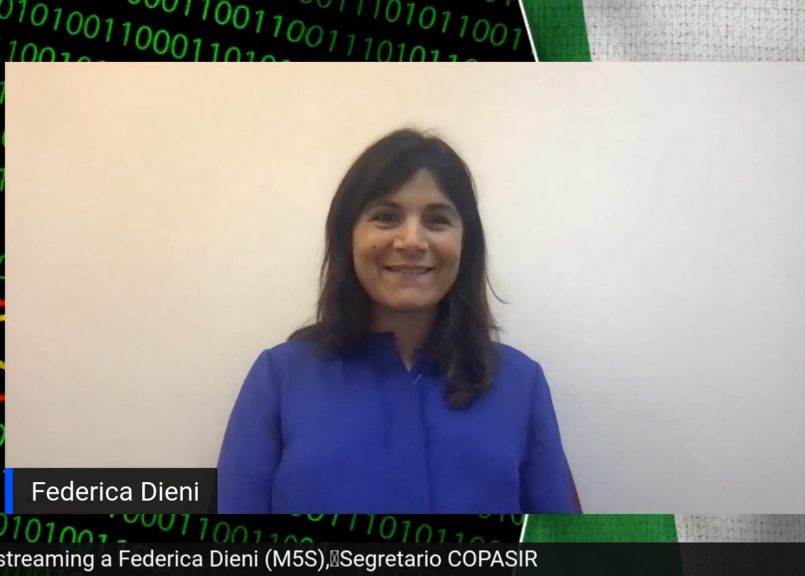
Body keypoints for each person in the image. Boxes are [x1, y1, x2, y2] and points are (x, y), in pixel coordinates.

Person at [217, 129, 580, 513]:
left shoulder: (520, 383)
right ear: (347, 237)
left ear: (465, 244)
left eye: (437, 220)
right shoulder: (280, 378)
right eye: (386, 217)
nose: (411, 241)